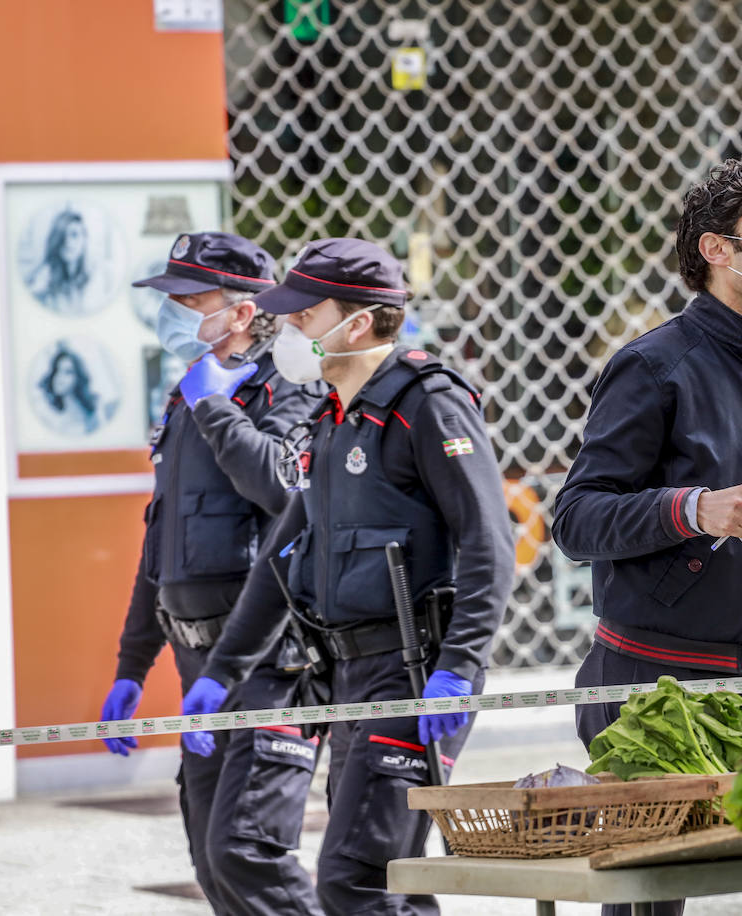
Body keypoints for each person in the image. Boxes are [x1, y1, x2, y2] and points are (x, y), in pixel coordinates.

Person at [183, 238, 515, 915]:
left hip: (416, 671)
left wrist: (460, 664)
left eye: (306, 315)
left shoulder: (427, 403)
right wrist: (224, 671)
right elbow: (282, 561)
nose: (292, 328)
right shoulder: (335, 417)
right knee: (393, 881)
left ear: (357, 322)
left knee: (357, 877)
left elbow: (490, 541)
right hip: (350, 673)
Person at [553, 158, 742, 916]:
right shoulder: (655, 365)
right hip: (659, 689)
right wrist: (692, 509)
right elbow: (576, 520)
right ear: (718, 250)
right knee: (650, 904)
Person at [95, 232, 325, 915]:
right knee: (211, 863)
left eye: (189, 300)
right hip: (198, 663)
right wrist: (132, 666)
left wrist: (216, 405)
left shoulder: (288, 386)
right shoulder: (185, 399)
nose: (173, 314)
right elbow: (160, 541)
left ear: (244, 312)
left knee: (246, 854)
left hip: (266, 661)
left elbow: (282, 490)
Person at [26, 207, 91, 314]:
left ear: (85, 239)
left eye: (74, 235)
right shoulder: (44, 278)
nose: (68, 242)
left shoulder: (92, 279)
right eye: (62, 235)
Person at [38, 345, 101, 434]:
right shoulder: (59, 425)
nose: (59, 377)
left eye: (68, 372)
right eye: (56, 370)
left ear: (78, 377)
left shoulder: (98, 405)